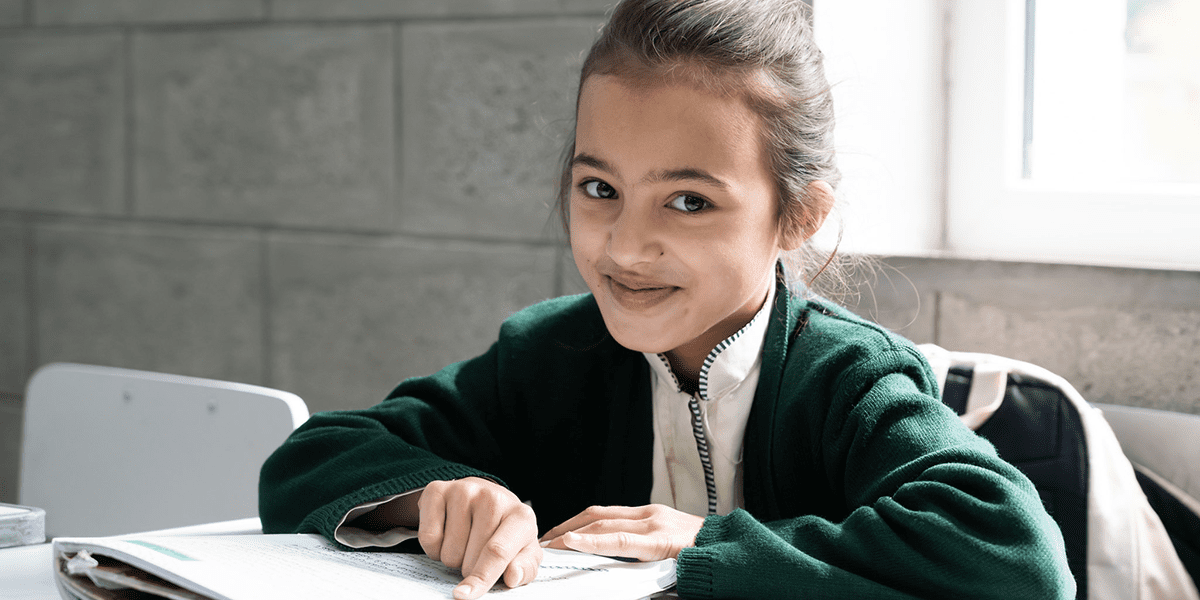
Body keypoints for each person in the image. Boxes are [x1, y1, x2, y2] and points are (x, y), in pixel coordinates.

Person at [258, 1, 1075, 598]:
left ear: (798, 215)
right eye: (598, 187)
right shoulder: (548, 354)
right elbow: (311, 458)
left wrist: (706, 547)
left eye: (689, 201)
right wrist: (439, 494)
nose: (623, 247)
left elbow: (1017, 560)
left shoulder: (850, 379)